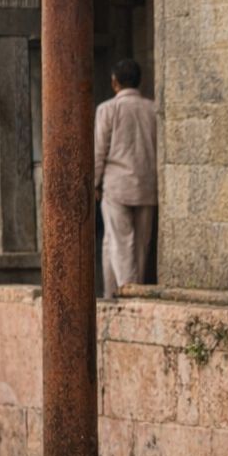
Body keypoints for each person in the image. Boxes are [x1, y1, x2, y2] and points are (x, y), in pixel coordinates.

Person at [94, 58, 157, 299]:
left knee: (121, 243)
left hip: (118, 184)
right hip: (147, 183)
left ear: (114, 82)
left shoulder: (108, 109)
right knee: (139, 244)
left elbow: (99, 150)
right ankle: (113, 292)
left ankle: (128, 294)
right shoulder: (152, 108)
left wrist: (95, 182)